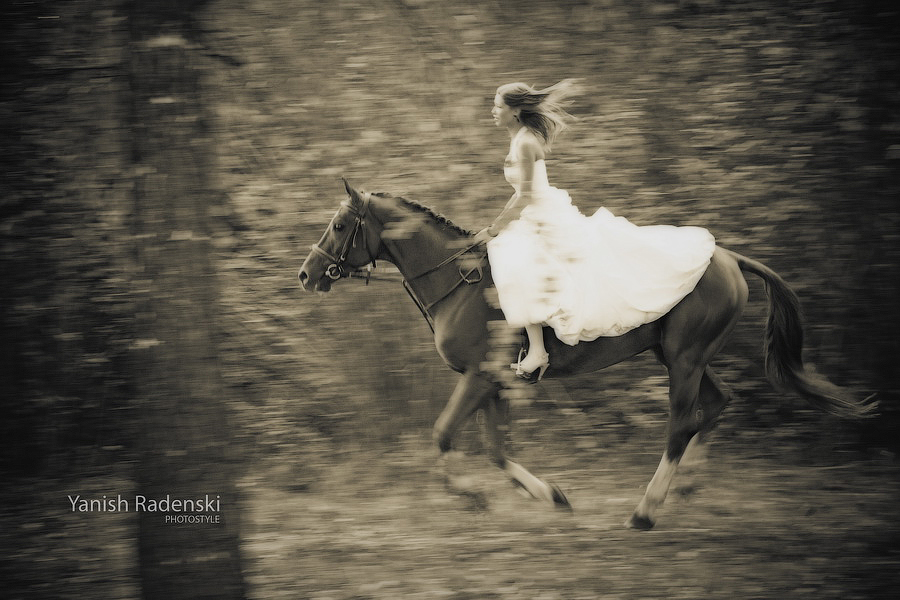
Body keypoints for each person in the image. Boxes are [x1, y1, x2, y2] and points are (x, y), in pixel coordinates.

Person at [474, 80, 716, 381]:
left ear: (515, 111)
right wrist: (497, 226)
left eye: (498, 106)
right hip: (536, 211)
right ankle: (533, 344)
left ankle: (538, 351)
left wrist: (494, 229)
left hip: (542, 213)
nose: (493, 111)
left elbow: (524, 195)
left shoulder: (524, 142)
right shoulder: (519, 138)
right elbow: (521, 193)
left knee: (516, 260)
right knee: (514, 259)